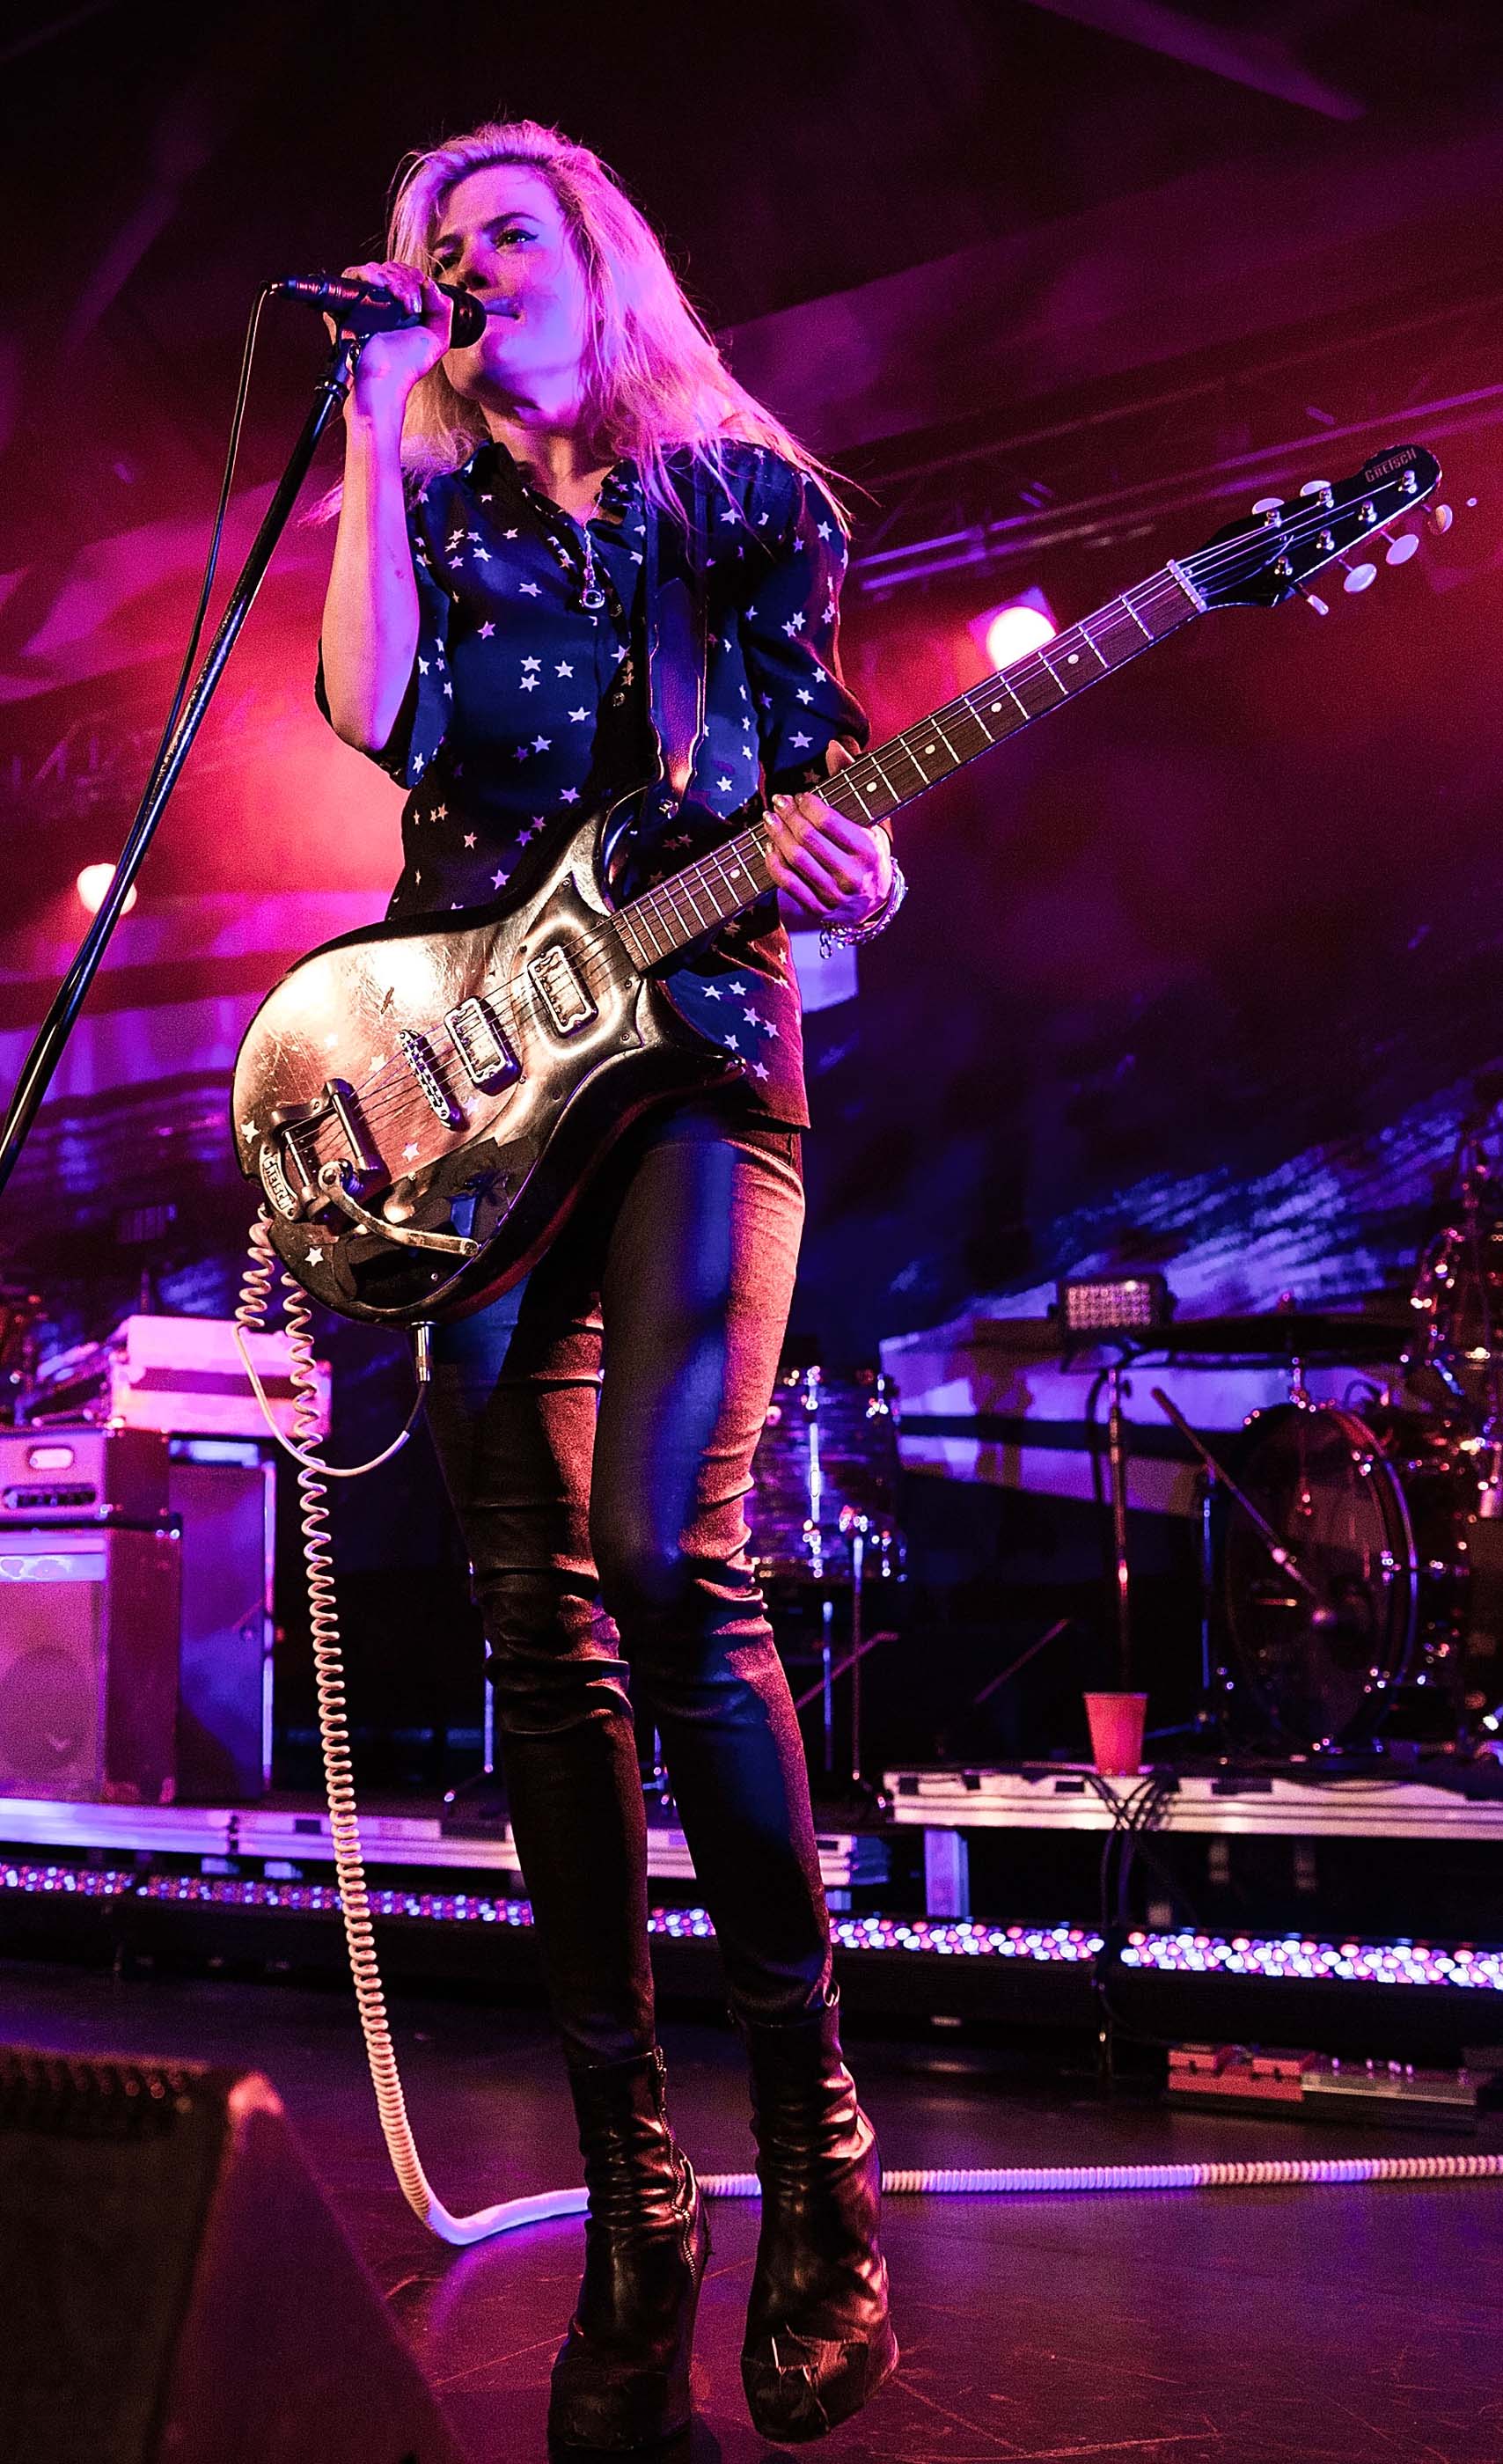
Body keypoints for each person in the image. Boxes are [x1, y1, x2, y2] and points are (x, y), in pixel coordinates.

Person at [319, 118, 905, 2453]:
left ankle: (814, 2150)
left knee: (672, 1559)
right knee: (535, 1634)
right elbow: (373, 725)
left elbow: (816, 767)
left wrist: (850, 861)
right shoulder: (430, 495)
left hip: (691, 1059)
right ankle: (633, 2194)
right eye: (435, 247)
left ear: (594, 257)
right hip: (474, 1093)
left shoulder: (744, 497)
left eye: (505, 230)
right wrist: (370, 432)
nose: (468, 264)